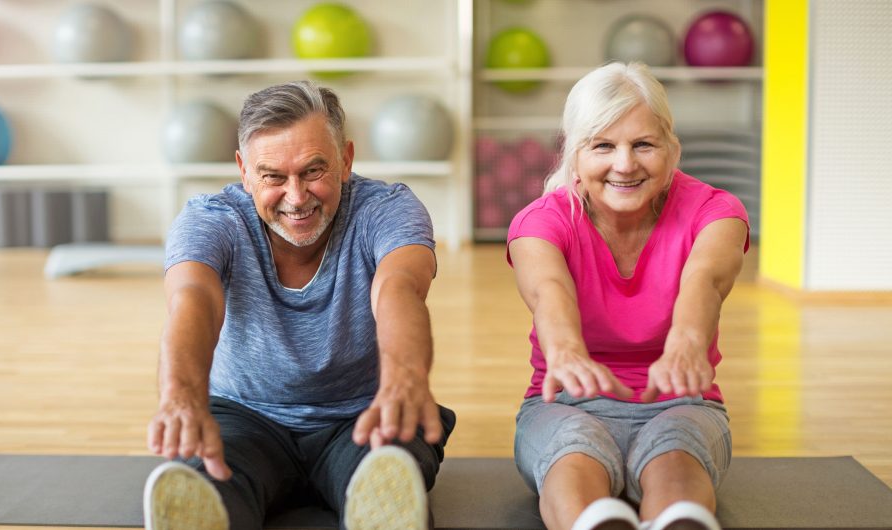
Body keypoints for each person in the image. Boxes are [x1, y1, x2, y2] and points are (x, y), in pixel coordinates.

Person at [142, 80, 455, 530]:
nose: (296, 196)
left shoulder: (386, 210)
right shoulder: (211, 219)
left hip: (362, 415)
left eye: (313, 171)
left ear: (345, 160)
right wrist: (181, 396)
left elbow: (400, 288)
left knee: (391, 462)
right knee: (213, 475)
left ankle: (377, 497)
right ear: (244, 171)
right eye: (273, 177)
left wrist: (405, 379)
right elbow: (194, 300)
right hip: (244, 417)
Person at [507, 62, 748, 530]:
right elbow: (548, 289)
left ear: (672, 150)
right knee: (571, 460)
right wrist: (567, 351)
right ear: (574, 155)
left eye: (643, 144)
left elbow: (706, 278)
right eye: (603, 145)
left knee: (676, 464)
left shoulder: (716, 211)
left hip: (682, 401)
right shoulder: (541, 221)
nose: (625, 164)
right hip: (567, 403)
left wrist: (685, 344)